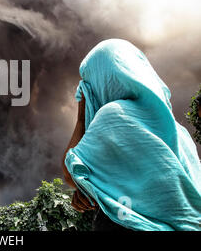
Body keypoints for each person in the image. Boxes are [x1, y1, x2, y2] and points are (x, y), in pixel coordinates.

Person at [62, 39, 201, 231]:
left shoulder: (113, 115)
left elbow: (70, 175)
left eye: (88, 82)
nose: (84, 90)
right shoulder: (180, 133)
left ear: (103, 79)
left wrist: (81, 117)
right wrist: (93, 190)